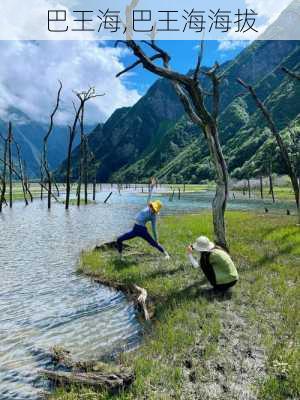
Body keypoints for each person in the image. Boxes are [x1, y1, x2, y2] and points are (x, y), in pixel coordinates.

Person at [116, 179, 170, 259]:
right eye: (152, 207)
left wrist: (156, 239)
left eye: (154, 209)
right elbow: (149, 195)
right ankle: (120, 257)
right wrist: (151, 187)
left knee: (153, 243)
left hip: (142, 230)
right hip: (135, 229)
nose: (152, 209)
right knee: (119, 239)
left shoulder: (153, 216)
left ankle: (166, 254)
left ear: (156, 210)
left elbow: (154, 228)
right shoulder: (148, 205)